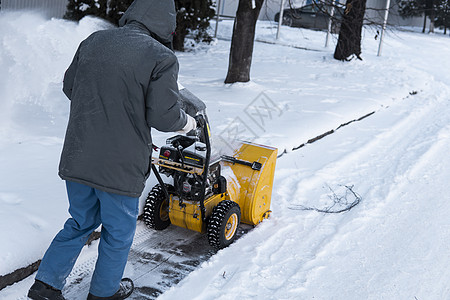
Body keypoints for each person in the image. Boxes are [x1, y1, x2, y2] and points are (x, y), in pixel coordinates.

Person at [27, 0, 196, 299]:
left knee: (80, 222)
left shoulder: (94, 41)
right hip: (120, 165)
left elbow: (70, 87)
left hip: (78, 155)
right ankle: (104, 293)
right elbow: (164, 116)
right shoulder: (160, 56)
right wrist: (186, 123)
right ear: (165, 24)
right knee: (118, 233)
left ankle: (45, 286)